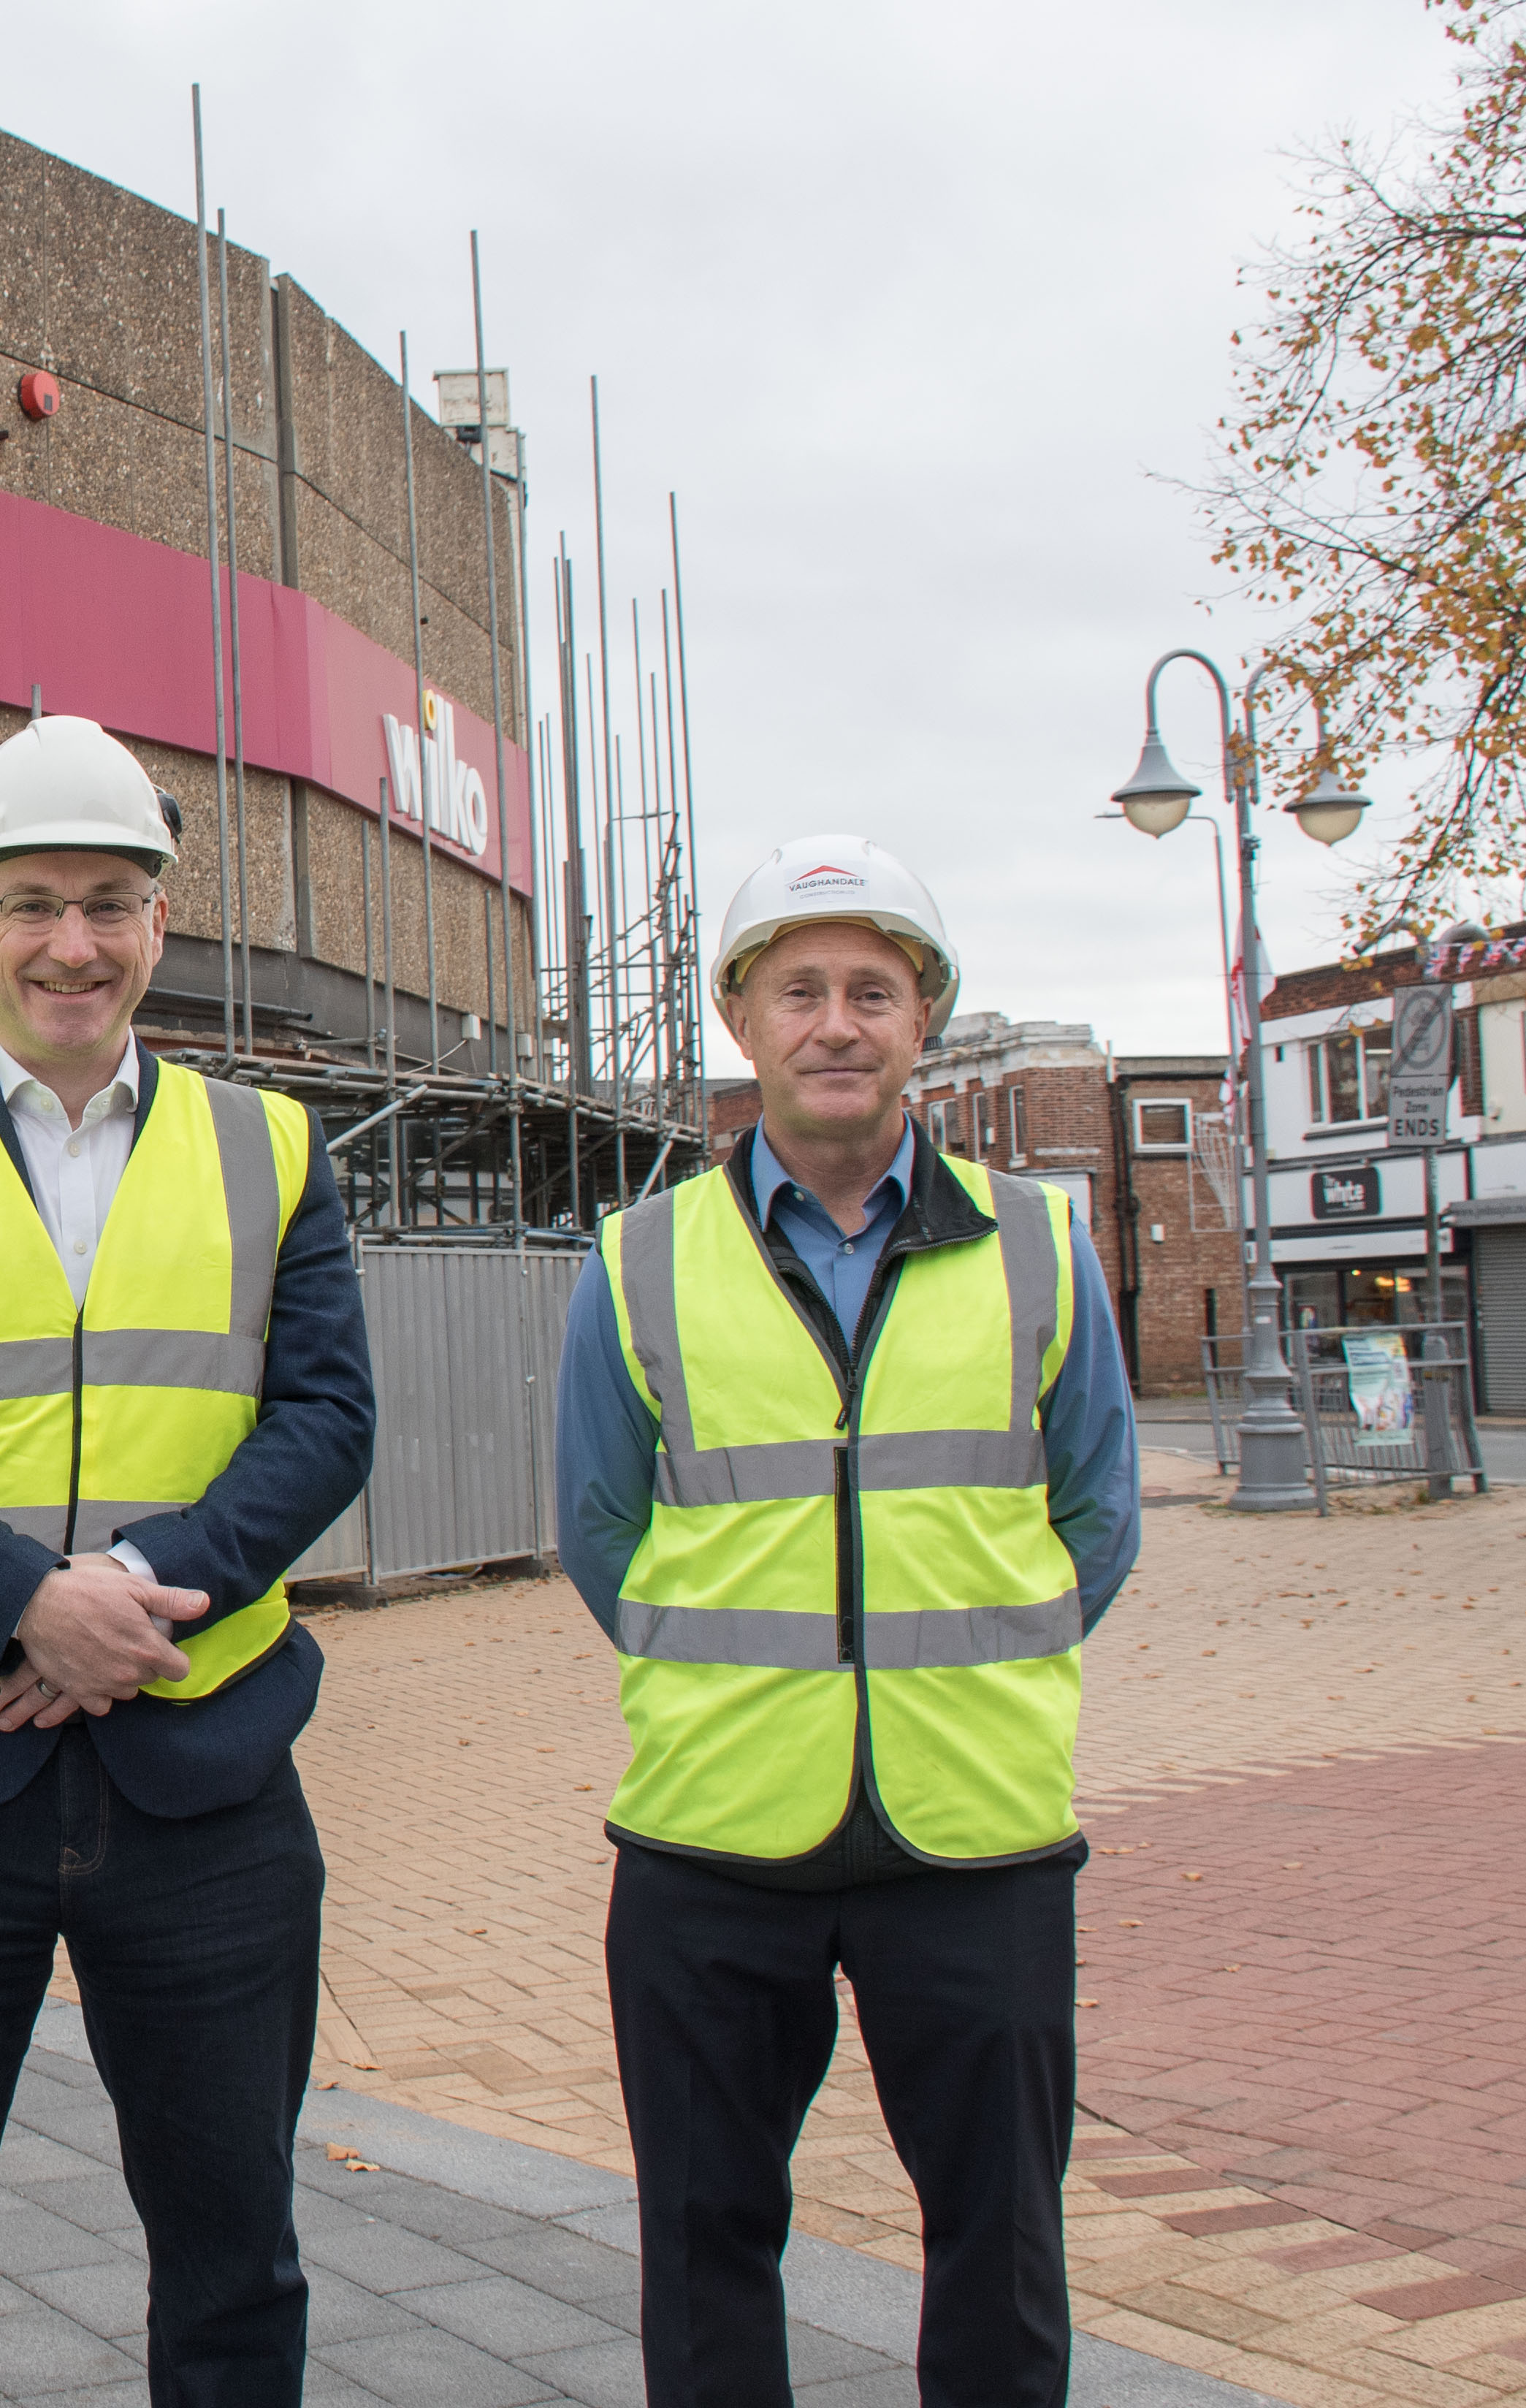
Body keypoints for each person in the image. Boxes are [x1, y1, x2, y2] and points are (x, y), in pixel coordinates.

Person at [0, 715, 375, 2408]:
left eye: (109, 901)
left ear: (160, 919)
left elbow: (325, 1421)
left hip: (204, 1771)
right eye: (31, 900)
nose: (72, 943)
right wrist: (25, 1601)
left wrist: (131, 1591)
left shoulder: (274, 1149)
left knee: (235, 2250)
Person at [557, 836, 1140, 2408]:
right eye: (798, 988)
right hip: (712, 1835)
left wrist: (957, 1663)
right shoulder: (641, 1260)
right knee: (704, 2238)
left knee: (1002, 2244)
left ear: (924, 1021)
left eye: (873, 991)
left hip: (977, 1835)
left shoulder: (1040, 1246)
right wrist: (758, 1667)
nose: (836, 1022)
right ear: (741, 1020)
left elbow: (1099, 1520)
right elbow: (600, 1528)